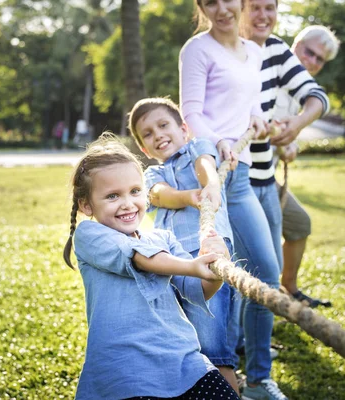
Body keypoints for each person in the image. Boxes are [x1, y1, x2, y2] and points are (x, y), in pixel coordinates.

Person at [63, 133, 241, 400]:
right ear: (86, 205)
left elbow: (197, 289)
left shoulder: (163, 238)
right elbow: (140, 258)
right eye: (112, 196)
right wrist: (193, 265)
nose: (127, 203)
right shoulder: (89, 236)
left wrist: (215, 268)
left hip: (183, 360)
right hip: (126, 370)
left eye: (135, 191)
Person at [179, 1, 287, 399]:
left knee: (264, 275)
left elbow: (249, 100)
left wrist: (256, 117)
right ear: (202, 6)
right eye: (210, 1)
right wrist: (220, 139)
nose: (221, 8)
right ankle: (216, 375)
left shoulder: (253, 51)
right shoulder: (197, 50)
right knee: (218, 281)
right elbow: (190, 113)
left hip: (237, 177)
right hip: (209, 173)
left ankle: (258, 380)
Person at [128, 97, 242, 394]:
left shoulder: (198, 148)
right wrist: (188, 196)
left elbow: (205, 164)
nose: (158, 135)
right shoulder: (153, 174)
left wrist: (210, 187)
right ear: (143, 148)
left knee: (213, 351)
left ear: (183, 128)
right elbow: (158, 194)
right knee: (186, 347)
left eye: (163, 125)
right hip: (173, 266)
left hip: (208, 256)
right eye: (148, 134)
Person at [272, 25, 340, 307]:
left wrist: (289, 145)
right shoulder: (269, 73)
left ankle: (289, 289)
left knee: (299, 223)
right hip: (242, 177)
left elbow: (287, 133)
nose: (310, 61)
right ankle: (242, 329)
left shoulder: (300, 92)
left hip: (265, 179)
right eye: (307, 52)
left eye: (318, 59)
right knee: (259, 250)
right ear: (295, 44)